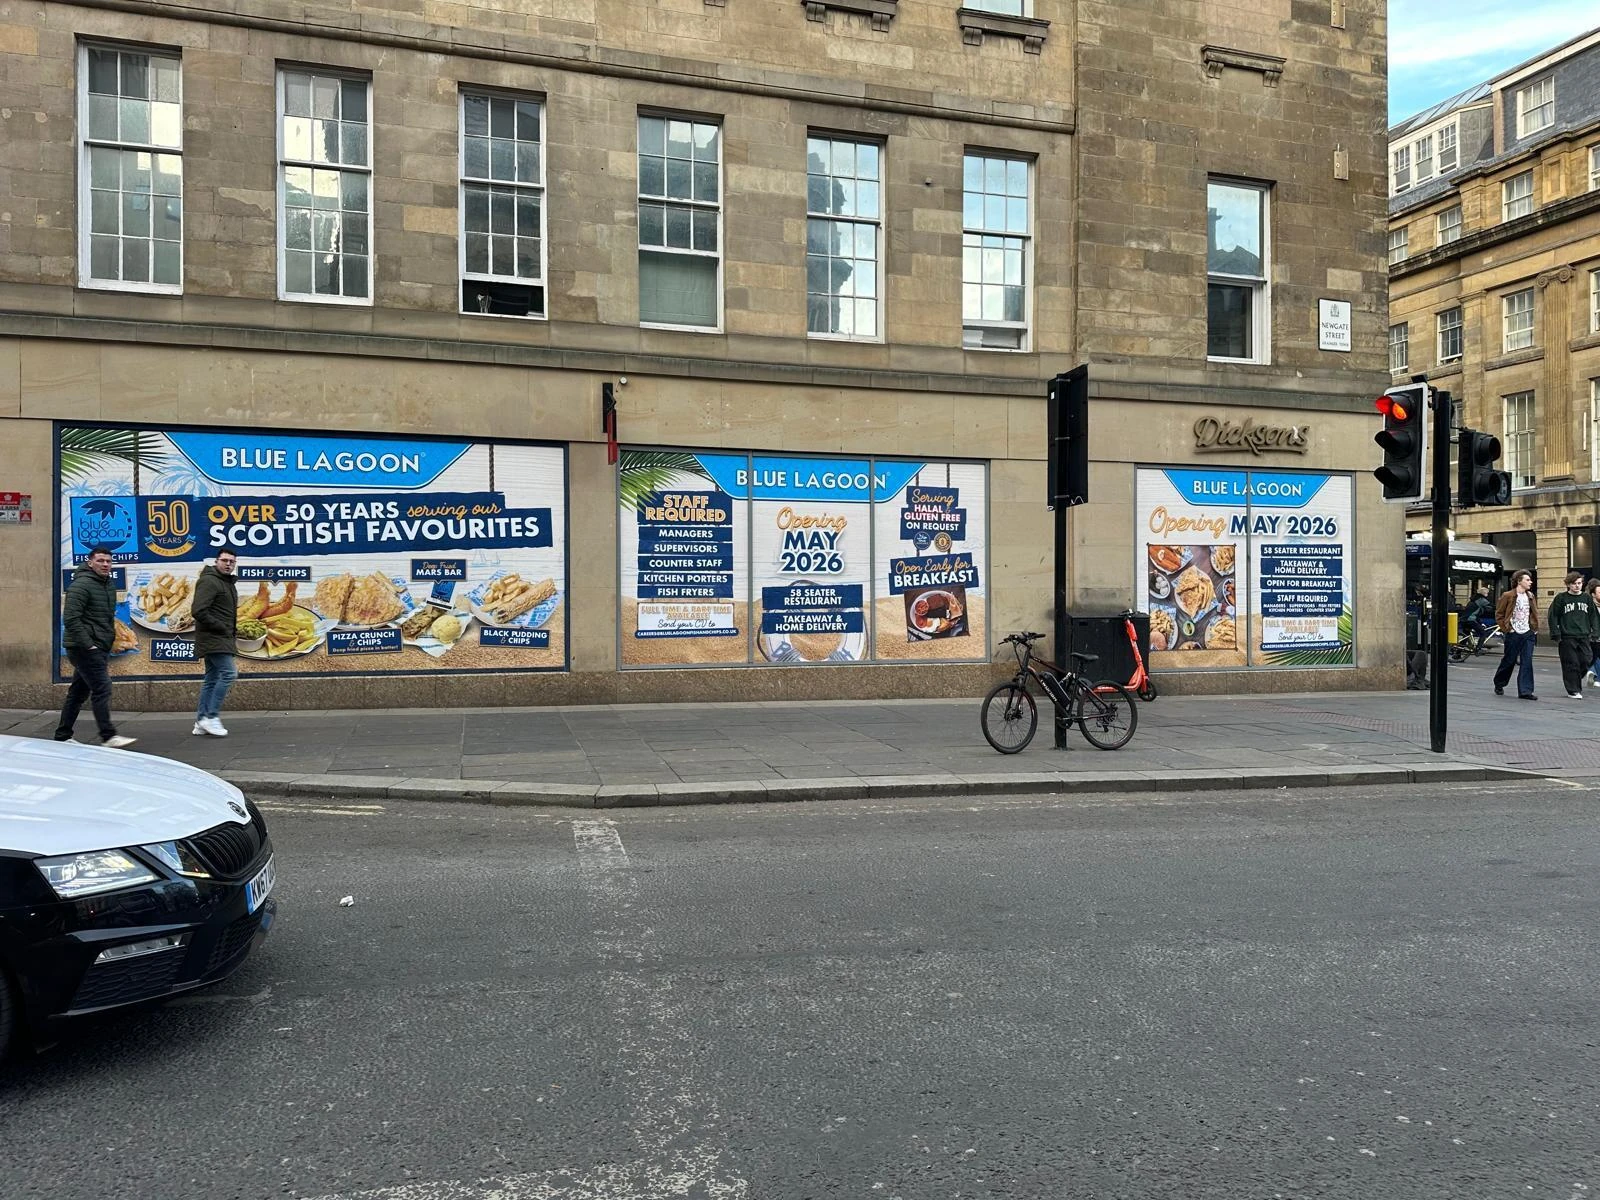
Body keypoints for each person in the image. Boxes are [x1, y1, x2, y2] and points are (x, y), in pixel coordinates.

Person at [53, 545, 137, 748]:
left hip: (98, 645)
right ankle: (108, 736)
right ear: (90, 563)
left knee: (78, 692)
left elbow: (105, 616)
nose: (105, 564)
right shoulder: (81, 585)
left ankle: (62, 735)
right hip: (84, 648)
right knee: (102, 687)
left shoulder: (107, 584)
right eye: (100, 560)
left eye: (108, 561)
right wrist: (89, 644)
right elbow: (71, 618)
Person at [190, 549, 240, 736]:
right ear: (216, 561)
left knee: (211, 679)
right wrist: (221, 627)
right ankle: (211, 717)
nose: (228, 564)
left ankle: (201, 721)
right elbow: (198, 610)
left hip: (220, 637)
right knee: (229, 673)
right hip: (214, 637)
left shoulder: (226, 582)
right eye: (225, 560)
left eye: (232, 561)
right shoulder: (210, 581)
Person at [1548, 572, 1599, 700]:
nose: (1577, 586)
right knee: (1571, 663)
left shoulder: (1586, 598)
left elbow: (1593, 616)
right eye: (1574, 584)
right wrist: (1555, 633)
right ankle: (1573, 690)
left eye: (1579, 583)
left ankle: (1576, 680)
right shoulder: (1561, 598)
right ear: (1568, 585)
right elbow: (1553, 616)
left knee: (1587, 659)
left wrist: (1595, 632)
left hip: (1584, 635)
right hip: (1567, 636)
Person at [1492, 569, 1538, 700]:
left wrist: (1534, 629)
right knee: (1509, 660)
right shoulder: (1508, 595)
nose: (1530, 582)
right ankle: (1499, 683)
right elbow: (1499, 614)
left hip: (1528, 633)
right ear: (1519, 581)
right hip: (1513, 633)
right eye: (1527, 580)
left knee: (1527, 661)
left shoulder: (1530, 596)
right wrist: (1507, 629)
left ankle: (1525, 691)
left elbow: (1533, 613)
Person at [1462, 586, 1496, 653]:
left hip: (1465, 619)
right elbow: (1492, 606)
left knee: (1466, 636)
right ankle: (1478, 649)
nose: (1488, 595)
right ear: (1484, 593)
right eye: (1487, 593)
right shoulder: (1481, 600)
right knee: (1483, 633)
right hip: (1470, 620)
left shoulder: (1475, 598)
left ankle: (1457, 654)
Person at [1588, 577, 1600, 688]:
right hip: (1591, 636)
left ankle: (1593, 674)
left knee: (1596, 656)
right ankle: (1594, 674)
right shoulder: (1589, 606)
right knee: (1594, 656)